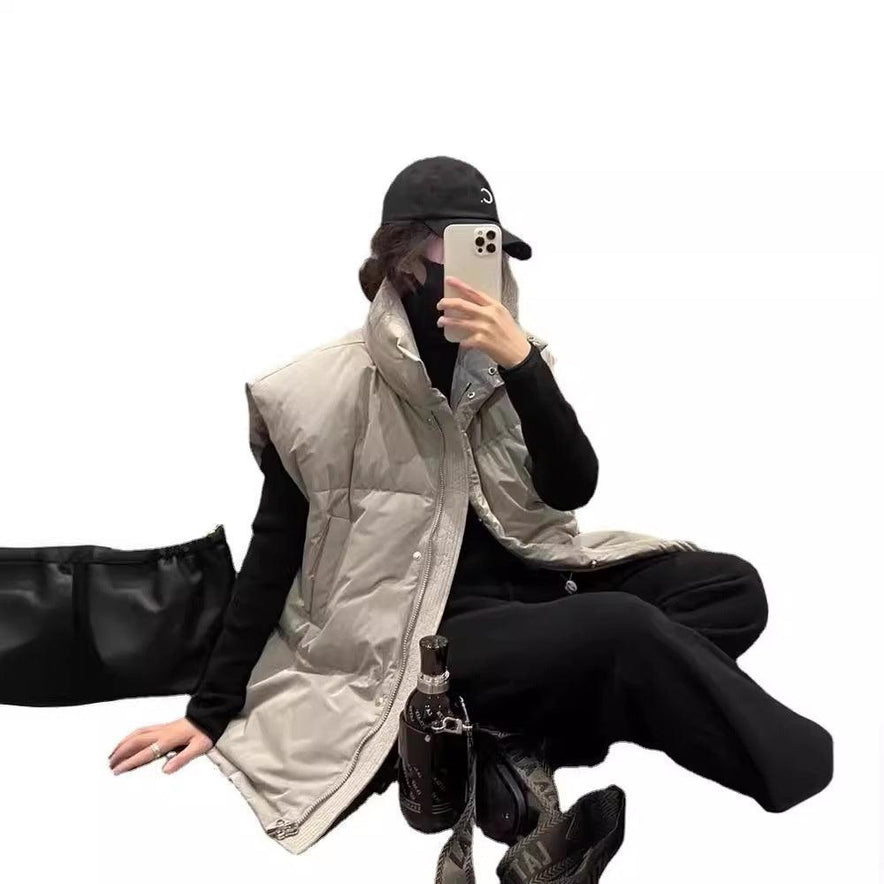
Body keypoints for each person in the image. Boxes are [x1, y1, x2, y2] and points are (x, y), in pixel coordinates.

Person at [108, 156, 832, 843]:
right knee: (625, 631)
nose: (487, 267)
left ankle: (512, 741)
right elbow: (271, 556)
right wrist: (208, 712)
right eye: (463, 246)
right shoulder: (316, 392)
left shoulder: (513, 359)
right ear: (404, 260)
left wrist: (523, 368)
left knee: (730, 589)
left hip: (537, 583)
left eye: (493, 248)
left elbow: (573, 487)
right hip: (424, 632)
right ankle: (801, 768)